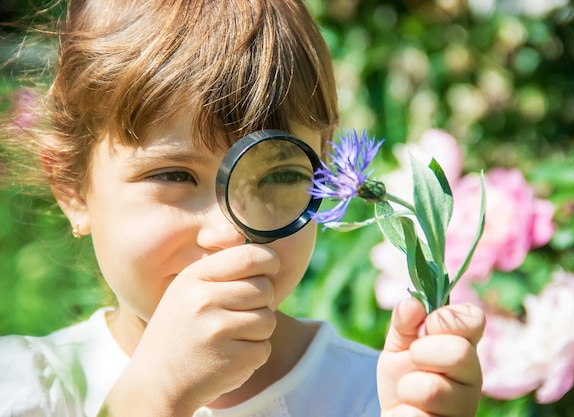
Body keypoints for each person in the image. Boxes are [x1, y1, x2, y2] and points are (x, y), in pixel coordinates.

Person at [0, 1, 485, 416]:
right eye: (173, 175)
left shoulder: (373, 395)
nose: (230, 233)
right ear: (72, 190)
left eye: (278, 175)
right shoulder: (27, 389)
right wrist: (153, 396)